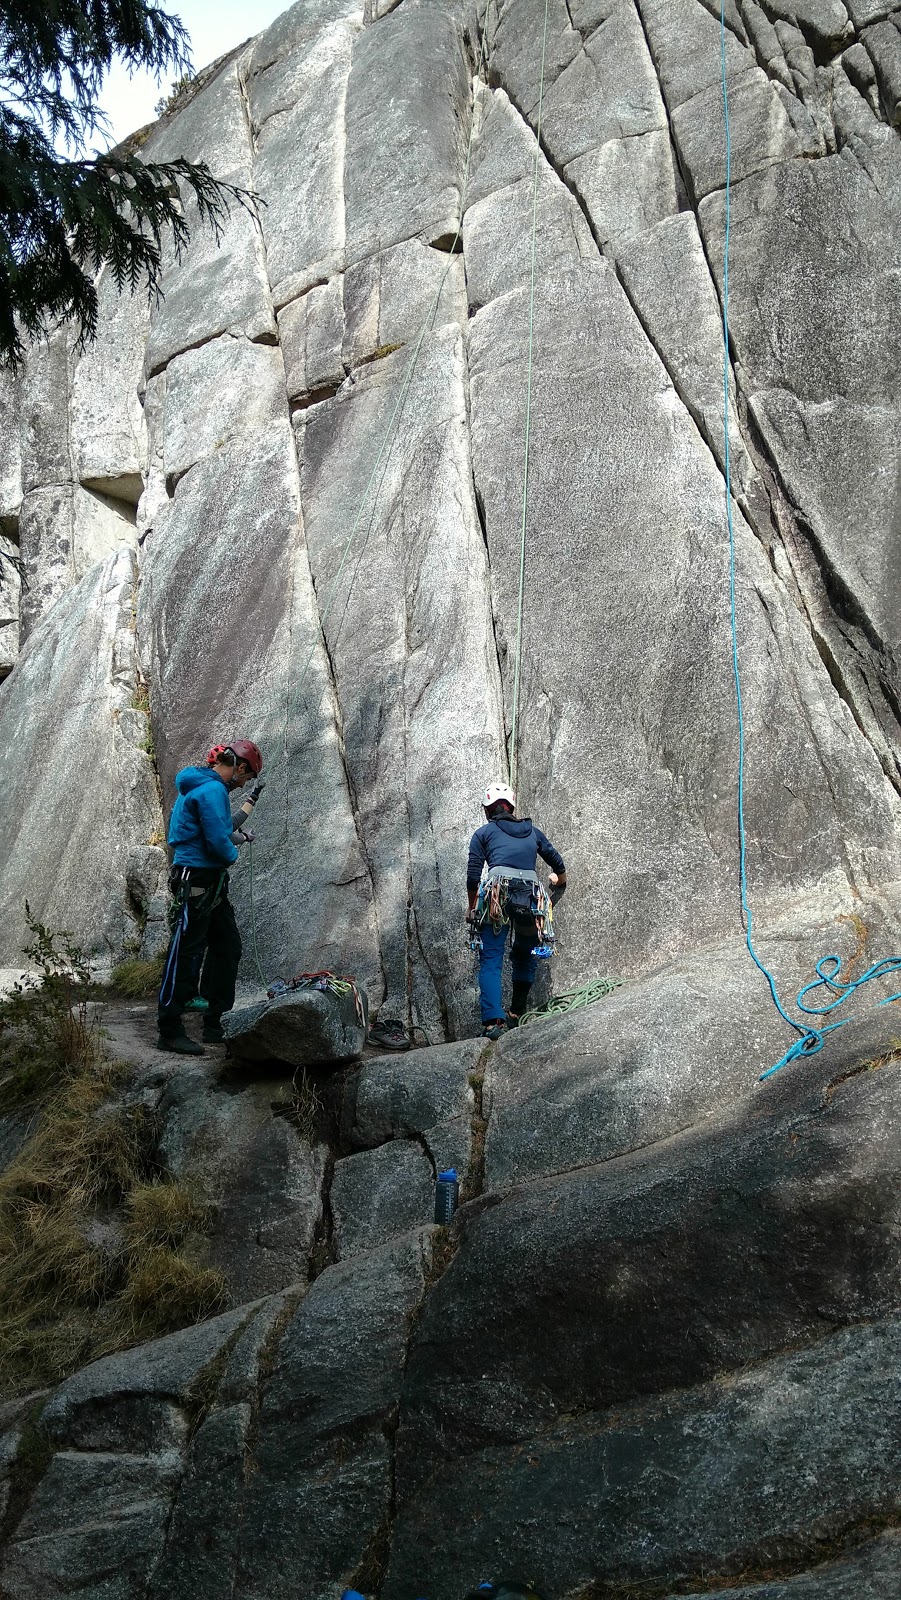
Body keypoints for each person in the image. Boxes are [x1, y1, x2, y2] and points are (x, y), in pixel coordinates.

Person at [156, 740, 264, 1055]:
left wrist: (234, 837)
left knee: (227, 946)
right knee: (185, 954)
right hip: (197, 880)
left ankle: (215, 1024)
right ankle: (170, 1029)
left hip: (209, 883)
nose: (244, 783)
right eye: (247, 777)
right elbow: (219, 842)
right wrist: (233, 851)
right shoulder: (212, 790)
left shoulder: (204, 787)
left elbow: (220, 828)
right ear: (239, 767)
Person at [467, 782, 566, 1039]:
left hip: (497, 895)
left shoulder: (483, 833)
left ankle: (493, 1023)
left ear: (488, 810)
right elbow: (557, 862)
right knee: (525, 954)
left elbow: (473, 877)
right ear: (511, 807)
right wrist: (560, 882)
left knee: (491, 959)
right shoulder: (533, 832)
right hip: (531, 897)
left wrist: (471, 908)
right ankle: (516, 1013)